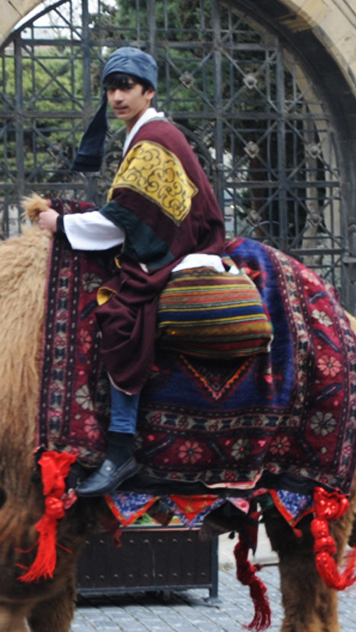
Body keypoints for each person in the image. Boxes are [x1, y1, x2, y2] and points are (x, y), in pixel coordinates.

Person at [37, 46, 226, 496]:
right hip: (180, 246)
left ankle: (120, 449)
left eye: (126, 87)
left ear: (148, 91)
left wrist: (59, 224)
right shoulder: (145, 135)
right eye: (110, 88)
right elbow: (132, 210)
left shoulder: (155, 139)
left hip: (181, 254)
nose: (117, 97)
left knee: (122, 320)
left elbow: (125, 218)